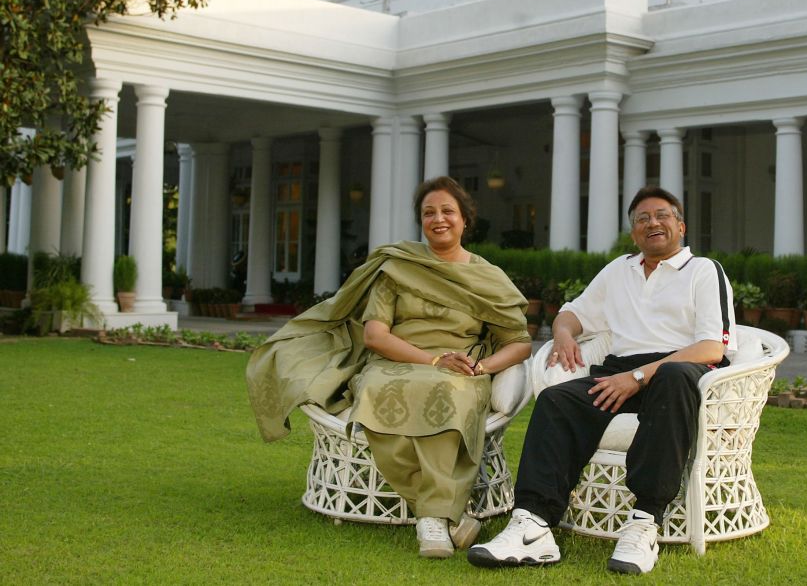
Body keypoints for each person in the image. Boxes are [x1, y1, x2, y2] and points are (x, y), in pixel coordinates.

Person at [246, 176, 531, 560]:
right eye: (429, 212)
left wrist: (482, 367)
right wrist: (431, 360)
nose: (438, 219)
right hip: (396, 361)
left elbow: (520, 342)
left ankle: (434, 517)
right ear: (420, 221)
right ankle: (441, 517)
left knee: (446, 391)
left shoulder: (488, 278)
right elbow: (376, 336)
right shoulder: (397, 267)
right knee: (382, 392)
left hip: (460, 369)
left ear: (465, 219)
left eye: (448, 211)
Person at [467, 186, 736, 575]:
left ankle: (645, 522)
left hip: (678, 373)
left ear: (681, 225)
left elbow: (712, 347)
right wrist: (562, 334)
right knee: (558, 400)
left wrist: (640, 376)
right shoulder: (619, 270)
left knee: (674, 376)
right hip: (617, 371)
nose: (652, 223)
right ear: (633, 234)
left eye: (662, 215)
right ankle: (533, 525)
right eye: (642, 219)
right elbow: (572, 314)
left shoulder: (703, 270)